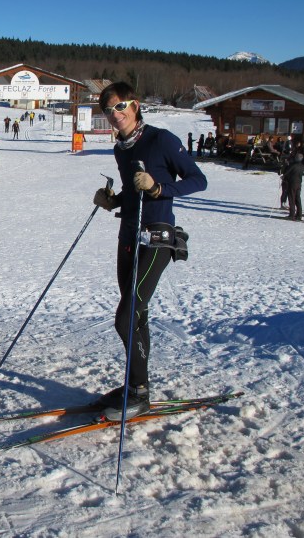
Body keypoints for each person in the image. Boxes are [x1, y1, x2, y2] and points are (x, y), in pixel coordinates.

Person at [92, 82, 206, 421]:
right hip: (128, 234)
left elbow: (198, 180)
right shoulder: (121, 149)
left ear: (135, 105)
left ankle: (139, 393)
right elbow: (132, 191)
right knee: (135, 315)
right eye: (108, 110)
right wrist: (113, 200)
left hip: (157, 237)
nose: (115, 114)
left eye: (120, 106)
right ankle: (134, 386)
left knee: (126, 316)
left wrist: (159, 187)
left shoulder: (162, 139)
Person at [283, 153, 304, 220]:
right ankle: (299, 214)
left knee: (291, 198)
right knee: (298, 199)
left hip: (292, 183)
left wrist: (286, 166)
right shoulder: (302, 166)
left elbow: (286, 173)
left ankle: (292, 214)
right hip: (299, 183)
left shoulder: (293, 165)